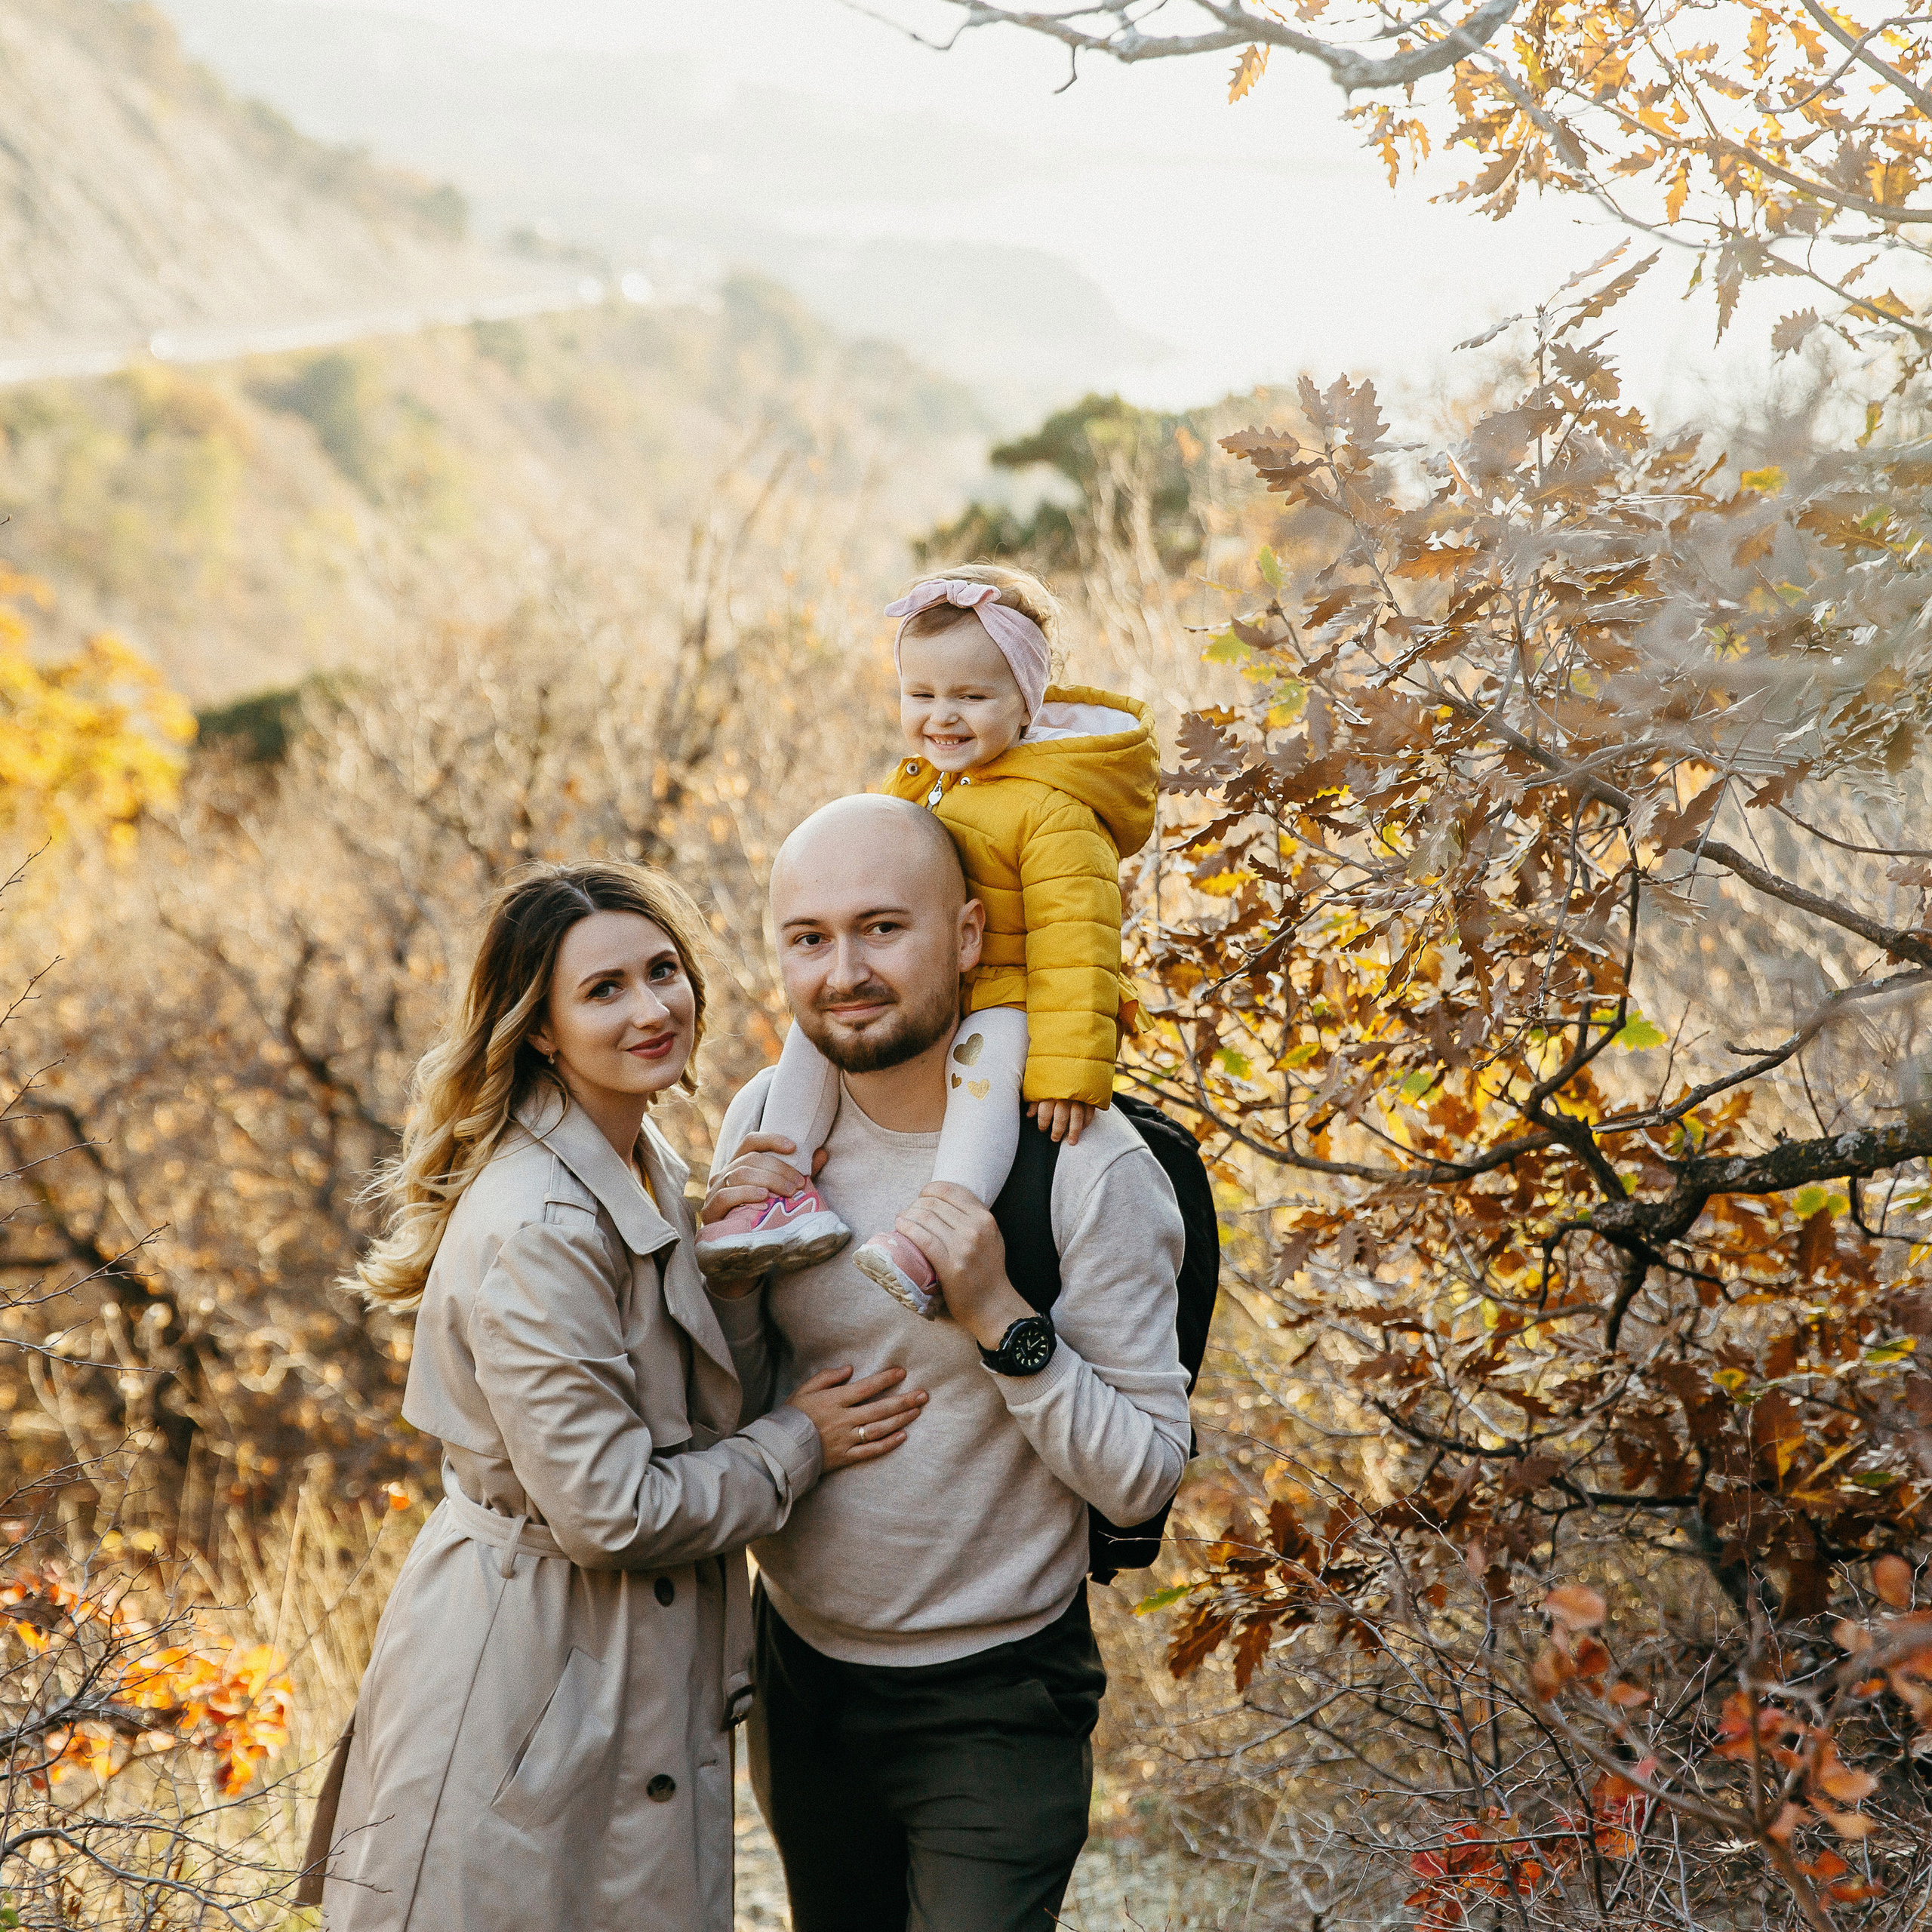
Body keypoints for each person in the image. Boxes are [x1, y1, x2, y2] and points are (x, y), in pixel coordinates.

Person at [303, 860, 928, 1932]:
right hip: (529, 1674)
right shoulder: (540, 1226)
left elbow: (682, 1417)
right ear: (540, 1029)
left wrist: (729, 1255)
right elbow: (613, 1509)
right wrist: (801, 1444)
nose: (652, 1010)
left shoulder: (643, 1158)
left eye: (664, 972)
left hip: (618, 1664)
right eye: (603, 991)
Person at [702, 798, 1190, 1932]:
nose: (844, 972)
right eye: (809, 939)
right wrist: (725, 1275)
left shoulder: (1082, 1166)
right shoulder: (766, 1125)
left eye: (883, 928)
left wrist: (999, 1314)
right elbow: (726, 1397)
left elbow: (1145, 1475)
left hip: (995, 1699)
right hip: (801, 1675)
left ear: (970, 935)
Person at [697, 563, 1157, 1317]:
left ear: (1026, 702)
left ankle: (935, 1232)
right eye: (922, 696)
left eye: (971, 697)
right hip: (928, 980)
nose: (943, 717)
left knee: (982, 1070)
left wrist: (1070, 1070)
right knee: (816, 1027)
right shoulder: (919, 780)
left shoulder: (1055, 808)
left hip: (1009, 993)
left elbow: (1080, 944)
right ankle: (775, 1191)